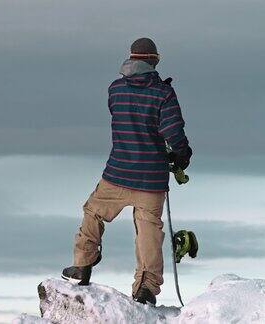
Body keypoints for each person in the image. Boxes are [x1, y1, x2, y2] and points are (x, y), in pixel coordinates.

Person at [61, 38, 192, 305]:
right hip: (151, 179)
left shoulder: (115, 90)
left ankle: (82, 266)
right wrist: (182, 155)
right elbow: (173, 133)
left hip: (117, 173)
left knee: (93, 212)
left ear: (131, 59)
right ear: (154, 61)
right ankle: (146, 288)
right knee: (149, 231)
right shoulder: (163, 93)